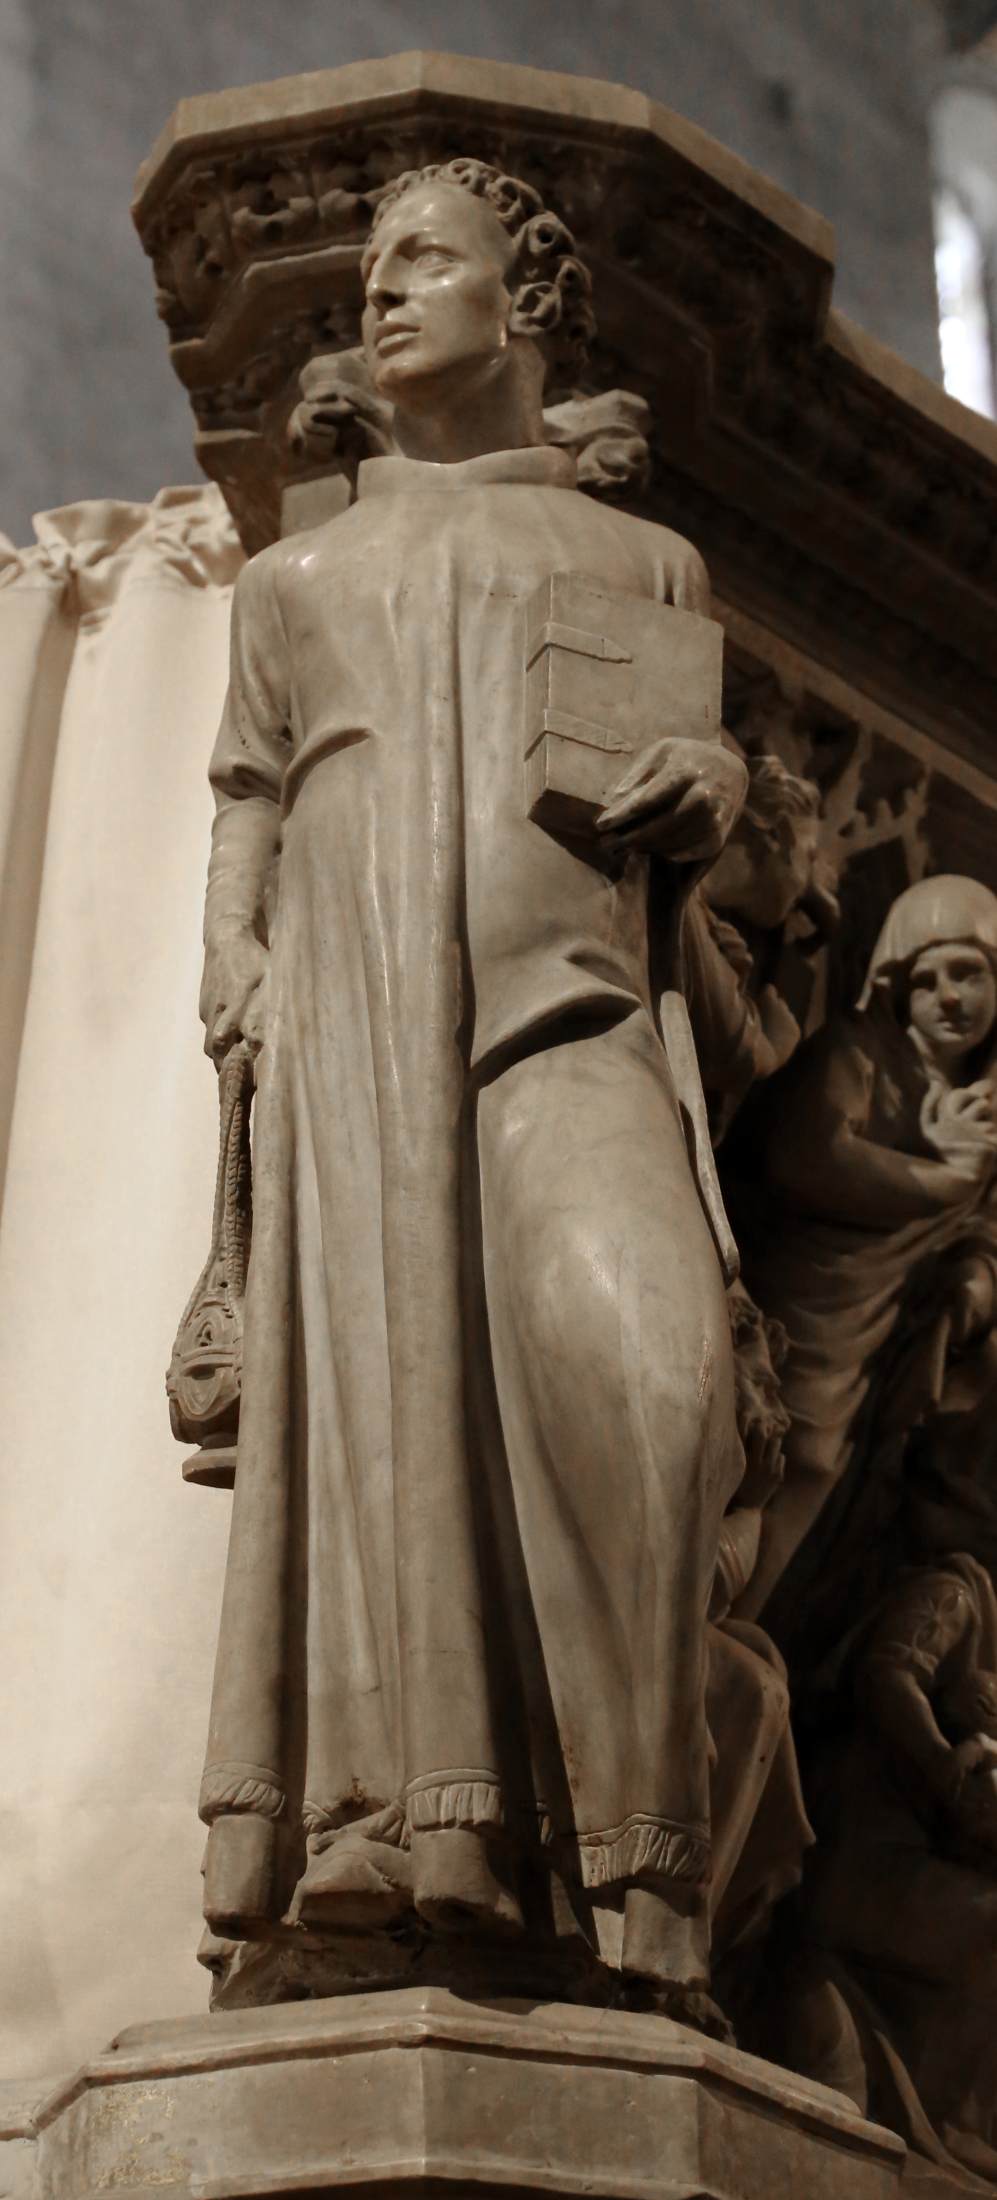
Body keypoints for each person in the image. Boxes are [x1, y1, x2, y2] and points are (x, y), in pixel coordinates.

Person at [195, 158, 747, 2015]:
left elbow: (689, 797)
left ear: (522, 302)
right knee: (380, 1405)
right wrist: (236, 972)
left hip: (561, 1014)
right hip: (353, 1025)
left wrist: (718, 792)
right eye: (367, 266)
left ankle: (651, 1866)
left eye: (419, 257)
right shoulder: (296, 577)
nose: (381, 291)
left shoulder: (638, 559)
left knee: (654, 1375)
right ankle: (408, 1835)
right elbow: (249, 796)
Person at [736, 873, 997, 1624]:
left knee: (841, 1481)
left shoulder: (983, 1101)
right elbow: (806, 1156)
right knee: (790, 1455)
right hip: (806, 1302)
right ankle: (709, 1623)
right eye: (926, 981)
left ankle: (750, 1627)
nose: (949, 997)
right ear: (893, 987)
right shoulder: (856, 1051)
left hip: (887, 1332)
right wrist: (942, 1179)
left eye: (969, 973)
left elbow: (982, 1224)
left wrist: (977, 1279)